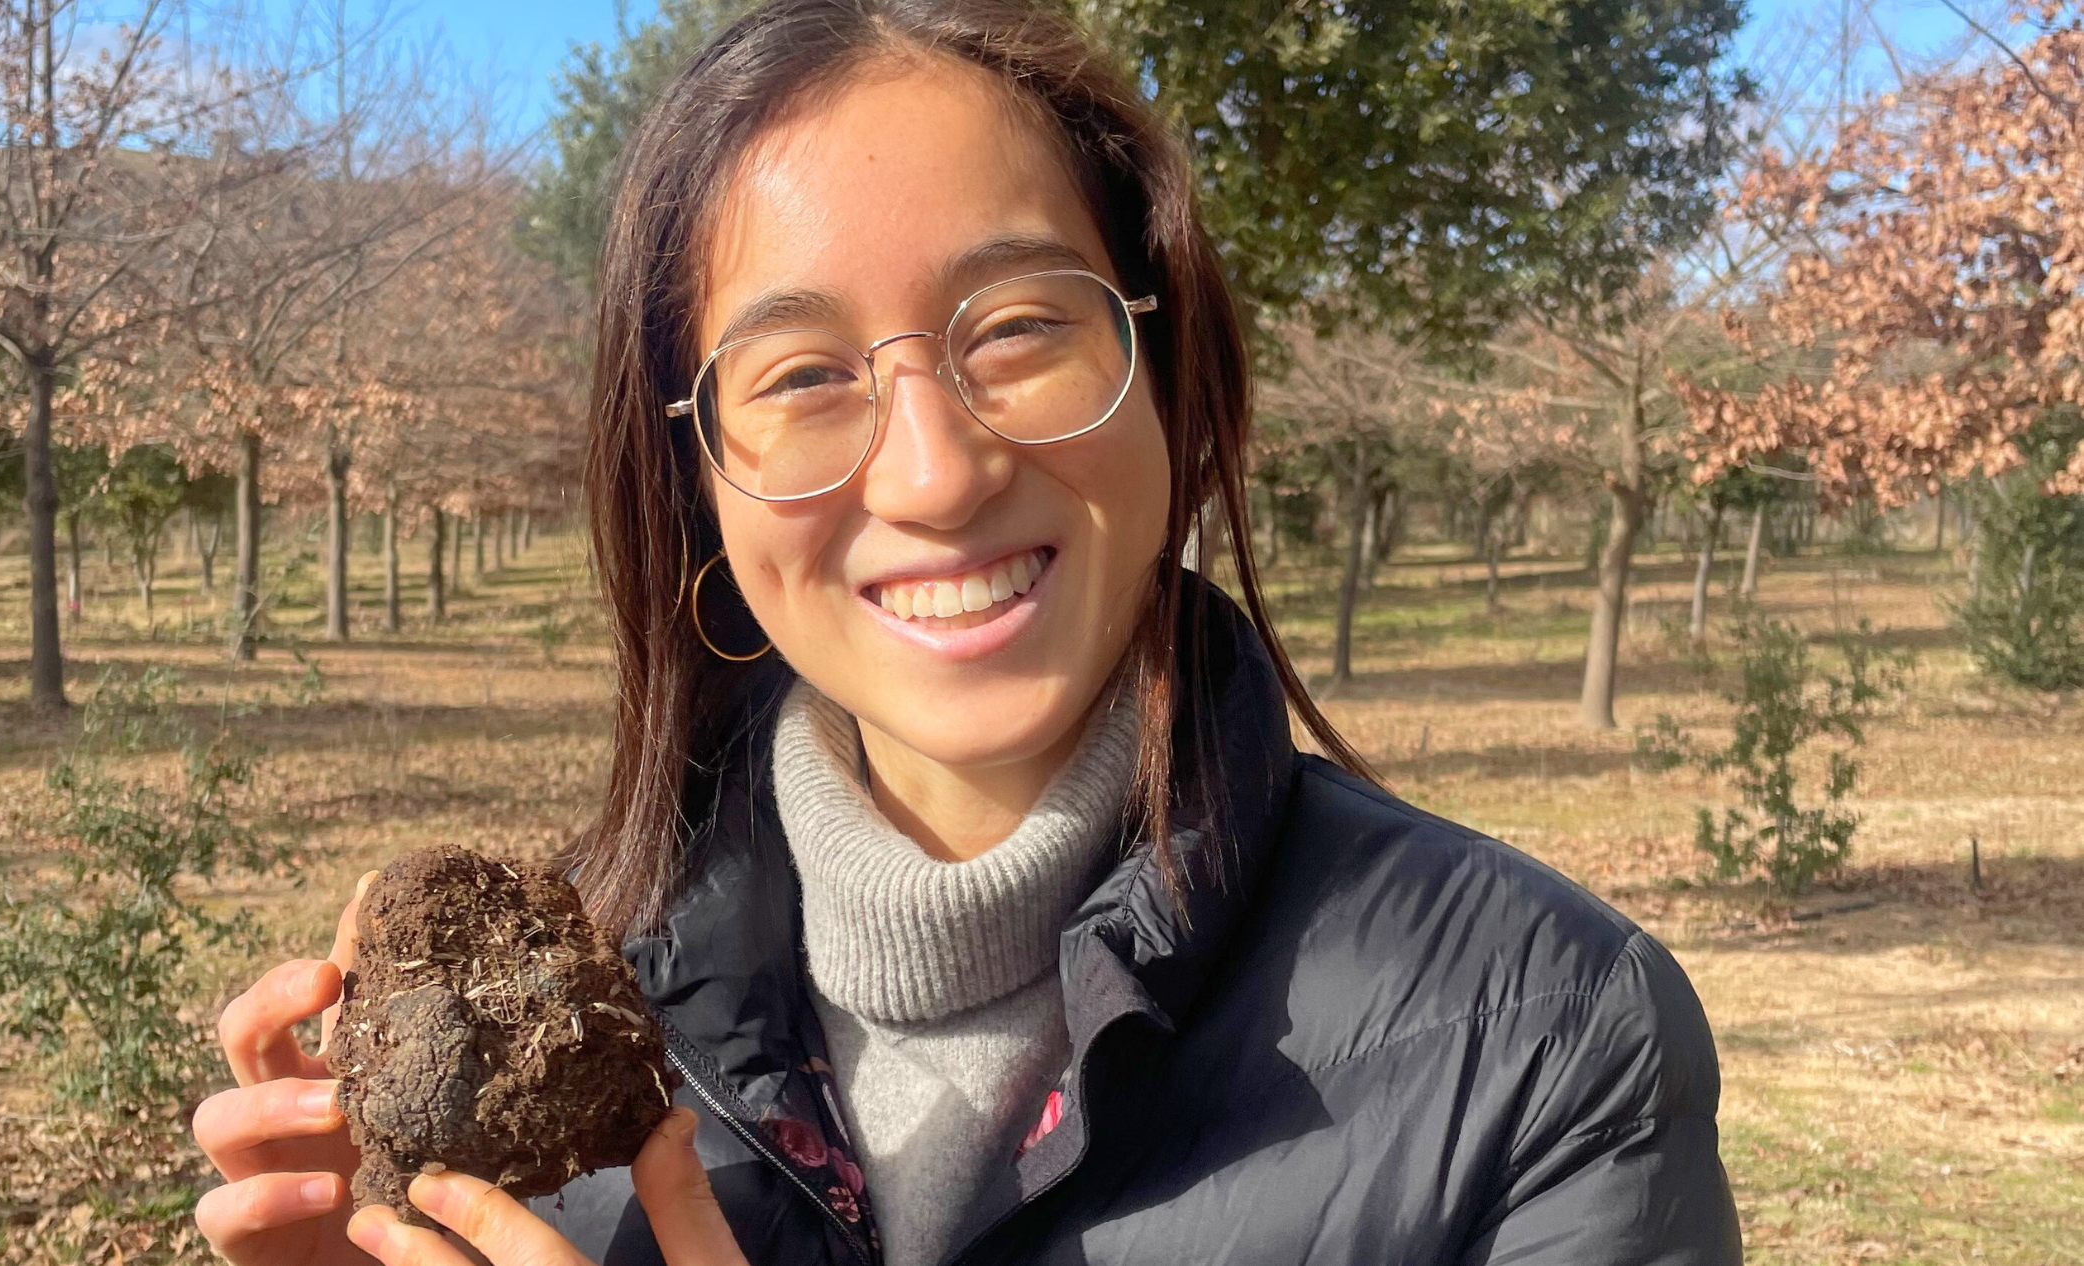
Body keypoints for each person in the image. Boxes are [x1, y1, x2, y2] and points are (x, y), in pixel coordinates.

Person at [193, 0, 1744, 1262]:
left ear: (1162, 361)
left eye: (1016, 329)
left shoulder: (1544, 1040)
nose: (934, 471)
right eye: (799, 376)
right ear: (698, 482)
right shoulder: (583, 1034)